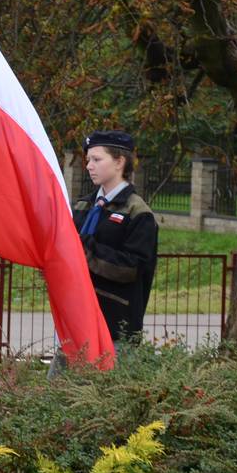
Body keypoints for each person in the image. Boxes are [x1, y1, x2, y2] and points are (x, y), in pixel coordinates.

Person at [72, 129, 159, 345]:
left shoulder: (138, 212)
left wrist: (85, 251)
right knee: (62, 379)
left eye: (97, 159)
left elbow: (132, 267)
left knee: (112, 379)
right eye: (88, 159)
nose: (89, 165)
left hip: (116, 325)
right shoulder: (83, 206)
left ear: (119, 162)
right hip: (75, 318)